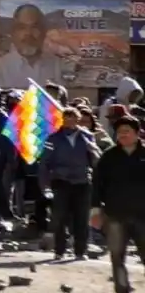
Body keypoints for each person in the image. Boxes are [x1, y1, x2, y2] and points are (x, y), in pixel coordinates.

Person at [91, 115, 145, 293]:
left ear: (137, 133)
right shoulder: (109, 157)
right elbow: (97, 185)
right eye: (120, 132)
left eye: (127, 131)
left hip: (143, 216)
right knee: (117, 259)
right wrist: (95, 209)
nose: (123, 135)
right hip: (115, 216)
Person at [40, 107, 100, 260]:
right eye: (66, 119)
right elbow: (44, 162)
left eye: (72, 118)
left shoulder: (87, 137)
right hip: (61, 181)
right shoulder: (53, 139)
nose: (69, 122)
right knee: (59, 217)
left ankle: (80, 251)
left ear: (77, 120)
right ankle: (59, 250)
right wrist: (44, 185)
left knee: (82, 217)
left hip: (83, 181)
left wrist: (93, 151)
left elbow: (96, 160)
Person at [0, 4, 62, 90]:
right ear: (13, 33)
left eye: (35, 27)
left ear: (44, 32)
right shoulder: (0, 67)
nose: (29, 33)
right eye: (22, 28)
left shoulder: (57, 65)